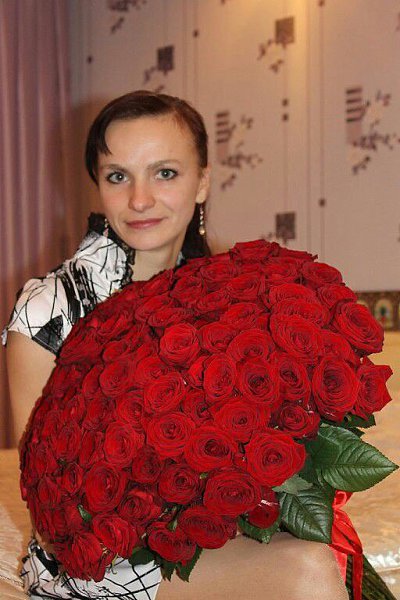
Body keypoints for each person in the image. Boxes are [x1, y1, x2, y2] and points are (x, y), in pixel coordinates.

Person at [4, 90, 348, 599]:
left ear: (202, 180)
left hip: (204, 538)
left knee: (314, 550)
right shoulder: (48, 309)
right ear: (98, 184)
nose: (139, 199)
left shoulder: (228, 296)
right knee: (307, 569)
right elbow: (48, 505)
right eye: (117, 176)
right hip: (94, 559)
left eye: (164, 173)